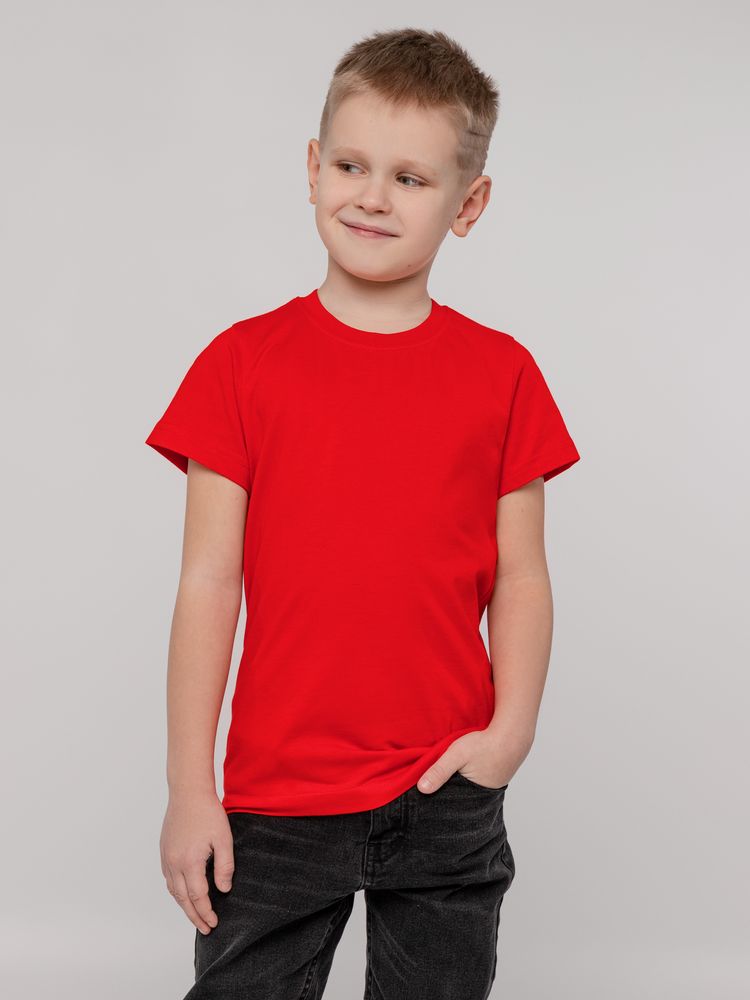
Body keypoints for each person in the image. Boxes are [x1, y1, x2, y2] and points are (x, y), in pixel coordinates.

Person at [145, 26, 581, 1000]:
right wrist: (190, 788)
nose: (373, 196)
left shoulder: (503, 374)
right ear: (312, 169)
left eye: (410, 178)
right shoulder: (241, 365)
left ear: (468, 205)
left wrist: (510, 734)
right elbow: (208, 584)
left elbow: (522, 576)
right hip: (276, 797)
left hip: (445, 790)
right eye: (351, 165)